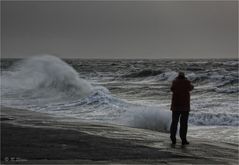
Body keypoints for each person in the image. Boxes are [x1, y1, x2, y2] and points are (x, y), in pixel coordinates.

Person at [170, 72, 193, 145]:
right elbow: (191, 87)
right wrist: (187, 80)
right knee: (184, 124)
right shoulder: (187, 82)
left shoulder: (175, 82)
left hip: (175, 106)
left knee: (174, 123)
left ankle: (173, 138)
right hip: (185, 107)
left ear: (178, 76)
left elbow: (172, 89)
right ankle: (183, 139)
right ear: (184, 76)